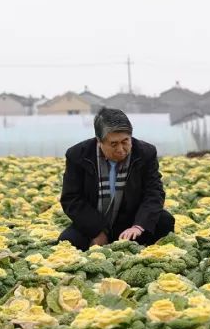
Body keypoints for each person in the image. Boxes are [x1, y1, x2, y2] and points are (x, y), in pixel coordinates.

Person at [58, 107, 175, 250]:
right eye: (114, 144)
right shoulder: (78, 155)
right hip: (94, 221)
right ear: (99, 142)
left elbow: (154, 193)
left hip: (130, 223)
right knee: (67, 243)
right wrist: (97, 230)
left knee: (164, 221)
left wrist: (138, 226)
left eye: (125, 141)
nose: (121, 149)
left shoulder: (145, 153)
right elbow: (71, 198)